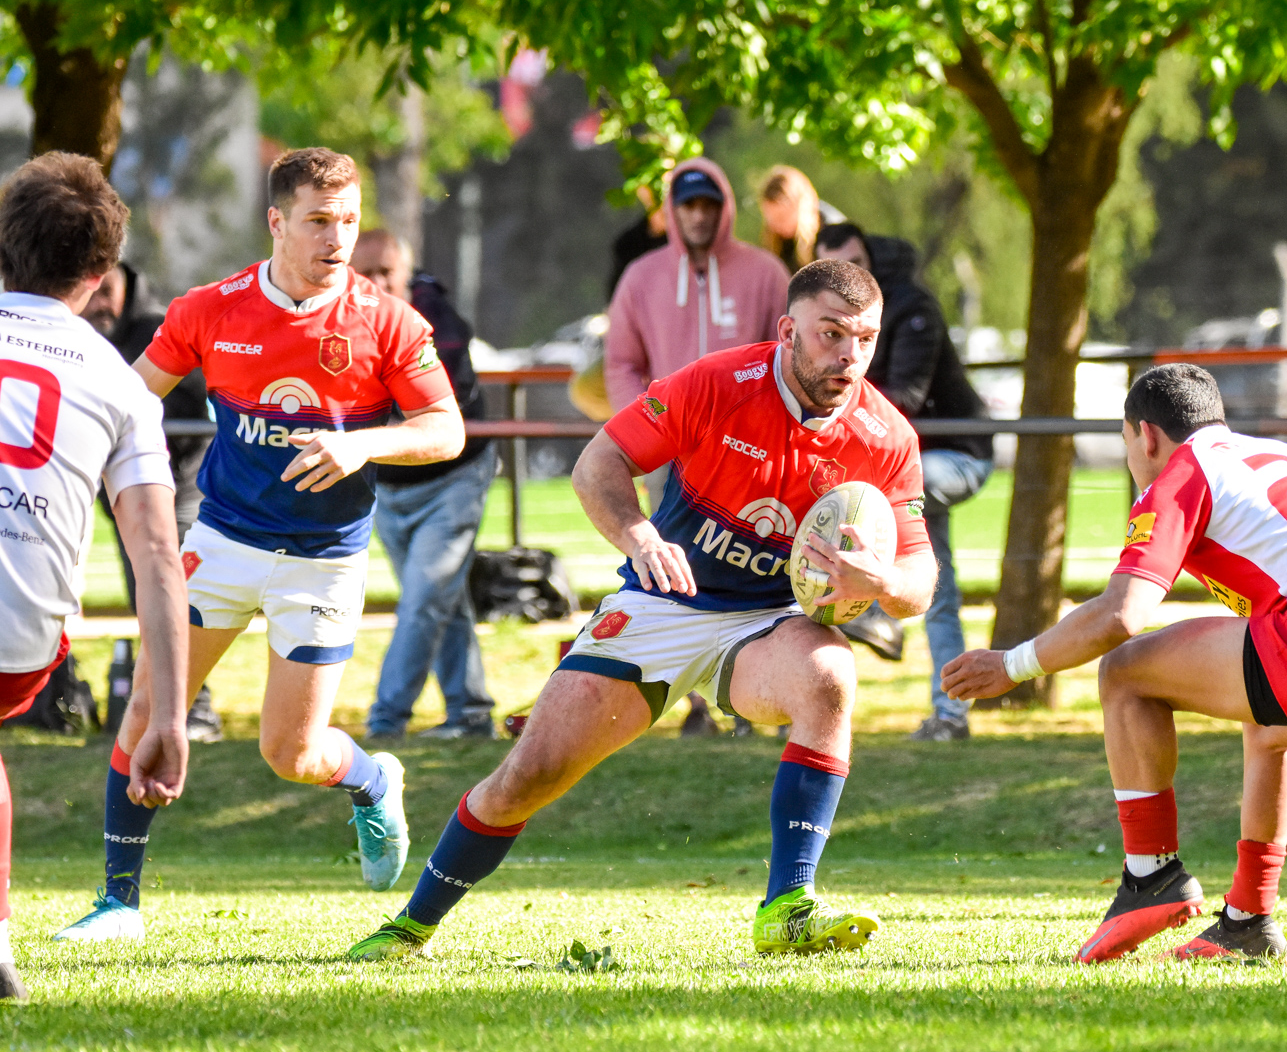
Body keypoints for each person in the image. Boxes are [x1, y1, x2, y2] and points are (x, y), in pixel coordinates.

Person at [345, 260, 937, 962]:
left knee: (830, 674)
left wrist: (880, 579)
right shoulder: (717, 383)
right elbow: (598, 465)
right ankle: (410, 925)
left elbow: (919, 579)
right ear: (787, 331)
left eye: (864, 339)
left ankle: (789, 906)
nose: (848, 355)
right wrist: (640, 536)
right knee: (528, 777)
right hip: (663, 603)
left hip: (767, 621)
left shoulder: (886, 437)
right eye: (830, 333)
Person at [54, 147, 465, 943]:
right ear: (276, 221)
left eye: (348, 221)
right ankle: (118, 902)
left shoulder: (388, 321)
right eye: (319, 220)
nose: (337, 238)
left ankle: (373, 779)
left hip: (325, 559)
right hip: (223, 541)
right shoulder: (209, 309)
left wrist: (362, 444)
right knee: (148, 709)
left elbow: (445, 429)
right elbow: (128, 400)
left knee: (290, 752)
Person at [943, 364, 1287, 962]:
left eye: (1127, 443)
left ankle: (1150, 876)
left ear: (1146, 435)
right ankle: (1247, 923)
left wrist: (1012, 666)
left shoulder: (1184, 471)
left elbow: (1121, 614)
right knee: (1267, 727)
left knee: (1126, 670)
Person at [0, 153, 191, 999]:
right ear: (101, 273)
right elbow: (158, 556)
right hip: (21, 646)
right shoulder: (123, 385)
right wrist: (169, 716)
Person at [606, 156, 790, 736]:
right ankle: (692, 703)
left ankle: (757, 695)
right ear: (671, 211)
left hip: (753, 453)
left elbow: (793, 356)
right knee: (675, 568)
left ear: (726, 208)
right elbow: (621, 361)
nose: (699, 216)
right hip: (671, 456)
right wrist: (647, 429)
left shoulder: (765, 273)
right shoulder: (641, 278)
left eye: (709, 204)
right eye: (688, 205)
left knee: (757, 570)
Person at [815, 223, 994, 740]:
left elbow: (906, 399)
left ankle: (876, 611)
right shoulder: (827, 324)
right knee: (937, 579)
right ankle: (950, 713)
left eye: (855, 265)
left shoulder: (914, 308)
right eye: (832, 271)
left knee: (875, 508)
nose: (847, 279)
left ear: (870, 259)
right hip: (892, 462)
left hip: (953, 455)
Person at [351, 230, 498, 743]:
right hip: (387, 484)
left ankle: (386, 720)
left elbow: (438, 411)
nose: (376, 283)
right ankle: (471, 713)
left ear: (408, 277)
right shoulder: (339, 321)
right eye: (365, 273)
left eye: (386, 273)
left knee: (423, 600)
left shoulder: (437, 326)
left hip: (453, 478)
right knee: (440, 600)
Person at [83, 262, 224, 744]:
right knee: (149, 602)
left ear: (126, 282)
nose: (99, 303)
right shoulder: (80, 334)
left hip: (176, 488)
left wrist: (144, 462)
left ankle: (195, 710)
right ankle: (169, 709)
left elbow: (192, 407)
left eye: (108, 290)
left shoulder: (160, 330)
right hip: (122, 492)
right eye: (92, 291)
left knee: (177, 599)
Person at [757, 166, 844, 274]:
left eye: (781, 217)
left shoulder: (834, 232)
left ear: (800, 208)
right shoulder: (776, 242)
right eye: (769, 219)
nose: (775, 225)